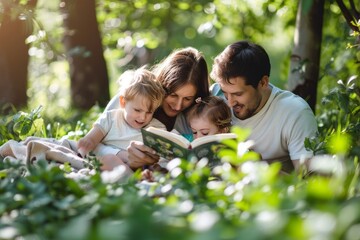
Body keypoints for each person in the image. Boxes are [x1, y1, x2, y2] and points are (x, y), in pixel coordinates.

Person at [210, 40, 318, 173]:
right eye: (225, 92)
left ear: (263, 82)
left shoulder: (295, 113)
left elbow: (308, 183)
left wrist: (257, 168)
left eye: (238, 94)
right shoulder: (214, 97)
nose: (230, 103)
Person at [105, 47, 210, 170]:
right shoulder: (134, 95)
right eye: (173, 95)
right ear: (162, 85)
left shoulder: (193, 118)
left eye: (187, 99)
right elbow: (93, 143)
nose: (177, 106)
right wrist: (122, 155)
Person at [77, 67, 166, 171]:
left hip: (139, 168)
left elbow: (159, 157)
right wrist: (86, 143)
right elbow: (91, 140)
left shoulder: (156, 127)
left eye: (149, 112)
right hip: (110, 164)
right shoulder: (111, 118)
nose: (142, 117)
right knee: (110, 160)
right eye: (137, 110)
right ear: (123, 102)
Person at [141, 95, 232, 181]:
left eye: (205, 133)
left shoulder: (231, 148)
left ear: (222, 131)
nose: (198, 137)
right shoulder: (185, 141)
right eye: (194, 132)